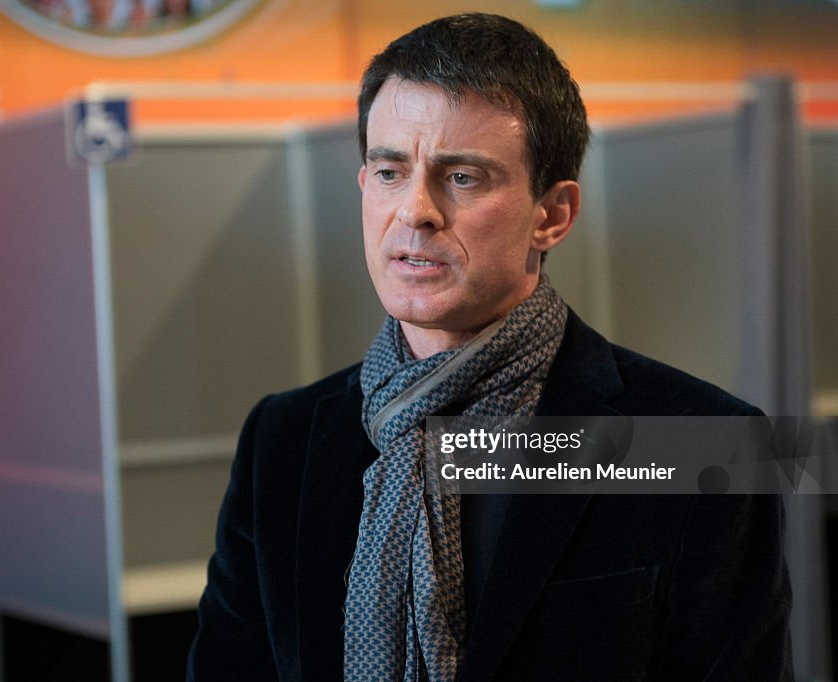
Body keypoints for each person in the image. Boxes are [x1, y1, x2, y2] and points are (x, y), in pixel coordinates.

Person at [187, 13, 792, 681]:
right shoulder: (284, 439)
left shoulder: (704, 444)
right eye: (389, 171)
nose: (415, 210)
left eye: (463, 177)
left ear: (553, 215)